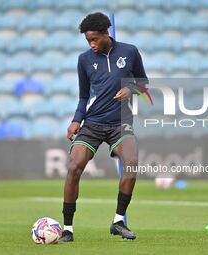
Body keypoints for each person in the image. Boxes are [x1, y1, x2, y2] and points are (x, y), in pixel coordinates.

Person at [60, 12, 148, 242]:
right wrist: (76, 120)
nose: (91, 44)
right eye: (88, 40)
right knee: (74, 166)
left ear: (105, 34)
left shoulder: (129, 52)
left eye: (94, 39)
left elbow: (143, 82)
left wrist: (130, 89)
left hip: (120, 123)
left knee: (131, 163)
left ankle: (118, 221)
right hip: (93, 123)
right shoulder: (84, 59)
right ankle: (67, 228)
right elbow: (83, 97)